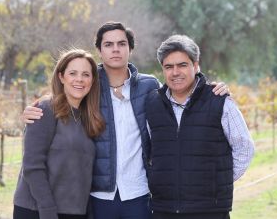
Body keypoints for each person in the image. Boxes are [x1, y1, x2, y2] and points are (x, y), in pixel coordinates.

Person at [22, 21, 230, 219]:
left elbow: (180, 93)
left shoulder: (150, 86)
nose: (115, 49)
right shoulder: (89, 86)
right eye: (108, 44)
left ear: (130, 49)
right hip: (98, 195)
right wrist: (31, 111)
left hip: (139, 193)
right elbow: (62, 99)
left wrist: (210, 89)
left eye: (121, 44)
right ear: (99, 51)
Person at [145, 35, 254, 219]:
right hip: (164, 210)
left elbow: (244, 148)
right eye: (168, 67)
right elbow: (149, 152)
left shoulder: (219, 101)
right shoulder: (152, 103)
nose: (175, 72)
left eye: (182, 65)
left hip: (210, 211)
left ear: (196, 66)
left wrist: (216, 181)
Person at [13, 49, 105, 219]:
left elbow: (82, 173)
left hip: (74, 212)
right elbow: (32, 167)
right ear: (61, 77)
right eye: (73, 73)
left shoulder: (89, 118)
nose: (79, 79)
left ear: (92, 80)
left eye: (86, 74)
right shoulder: (46, 109)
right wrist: (48, 211)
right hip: (38, 211)